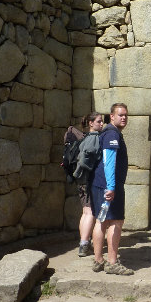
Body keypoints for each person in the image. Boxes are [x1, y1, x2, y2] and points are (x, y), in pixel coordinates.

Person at [90, 103, 132, 275]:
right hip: (108, 187)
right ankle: (112, 262)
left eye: (126, 115)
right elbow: (109, 161)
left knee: (101, 221)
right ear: (112, 116)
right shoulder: (112, 134)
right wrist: (112, 187)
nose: (123, 118)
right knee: (115, 221)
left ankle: (98, 260)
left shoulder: (107, 132)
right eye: (120, 115)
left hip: (100, 185)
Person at [64, 112, 104, 257]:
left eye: (102, 121)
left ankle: (83, 243)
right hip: (88, 181)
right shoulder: (93, 139)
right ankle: (84, 244)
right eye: (99, 121)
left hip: (82, 181)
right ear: (90, 123)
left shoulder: (84, 137)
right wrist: (82, 172)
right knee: (90, 213)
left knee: (86, 212)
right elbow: (84, 159)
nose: (101, 124)